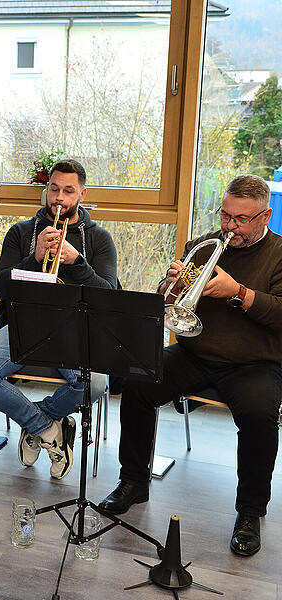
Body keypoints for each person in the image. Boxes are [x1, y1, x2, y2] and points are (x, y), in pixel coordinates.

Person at [98, 174, 282, 557]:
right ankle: (133, 481)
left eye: (241, 219)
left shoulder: (279, 254)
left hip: (255, 363)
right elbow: (170, 302)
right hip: (195, 353)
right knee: (137, 382)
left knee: (260, 414)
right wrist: (169, 286)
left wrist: (240, 293)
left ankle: (250, 511)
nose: (230, 226)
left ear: (265, 216)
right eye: (225, 215)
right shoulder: (203, 244)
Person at [0, 159, 117, 480]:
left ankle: (39, 419)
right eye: (54, 189)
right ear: (46, 189)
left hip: (75, 331)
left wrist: (77, 262)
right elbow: (0, 287)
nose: (59, 198)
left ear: (82, 195)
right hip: (23, 326)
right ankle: (44, 427)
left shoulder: (99, 239)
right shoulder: (21, 232)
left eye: (68, 191)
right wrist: (34, 259)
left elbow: (108, 296)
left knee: (96, 383)